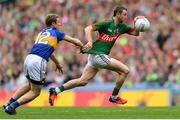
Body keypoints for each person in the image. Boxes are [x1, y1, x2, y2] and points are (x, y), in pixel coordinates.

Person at [49, 6, 144, 106]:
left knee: (82, 81)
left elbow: (135, 33)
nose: (126, 17)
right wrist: (90, 41)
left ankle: (56, 90)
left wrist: (137, 24)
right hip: (98, 55)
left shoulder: (122, 27)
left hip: (95, 57)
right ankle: (114, 97)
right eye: (124, 14)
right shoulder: (106, 23)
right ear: (117, 14)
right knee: (125, 70)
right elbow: (88, 28)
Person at [3, 14, 83, 115]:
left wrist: (57, 64)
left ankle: (8, 103)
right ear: (53, 23)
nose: (60, 23)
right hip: (38, 61)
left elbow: (50, 53)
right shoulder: (57, 33)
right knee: (36, 92)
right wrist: (83, 47)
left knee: (29, 85)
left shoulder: (42, 32)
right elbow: (75, 41)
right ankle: (12, 107)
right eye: (58, 21)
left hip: (29, 58)